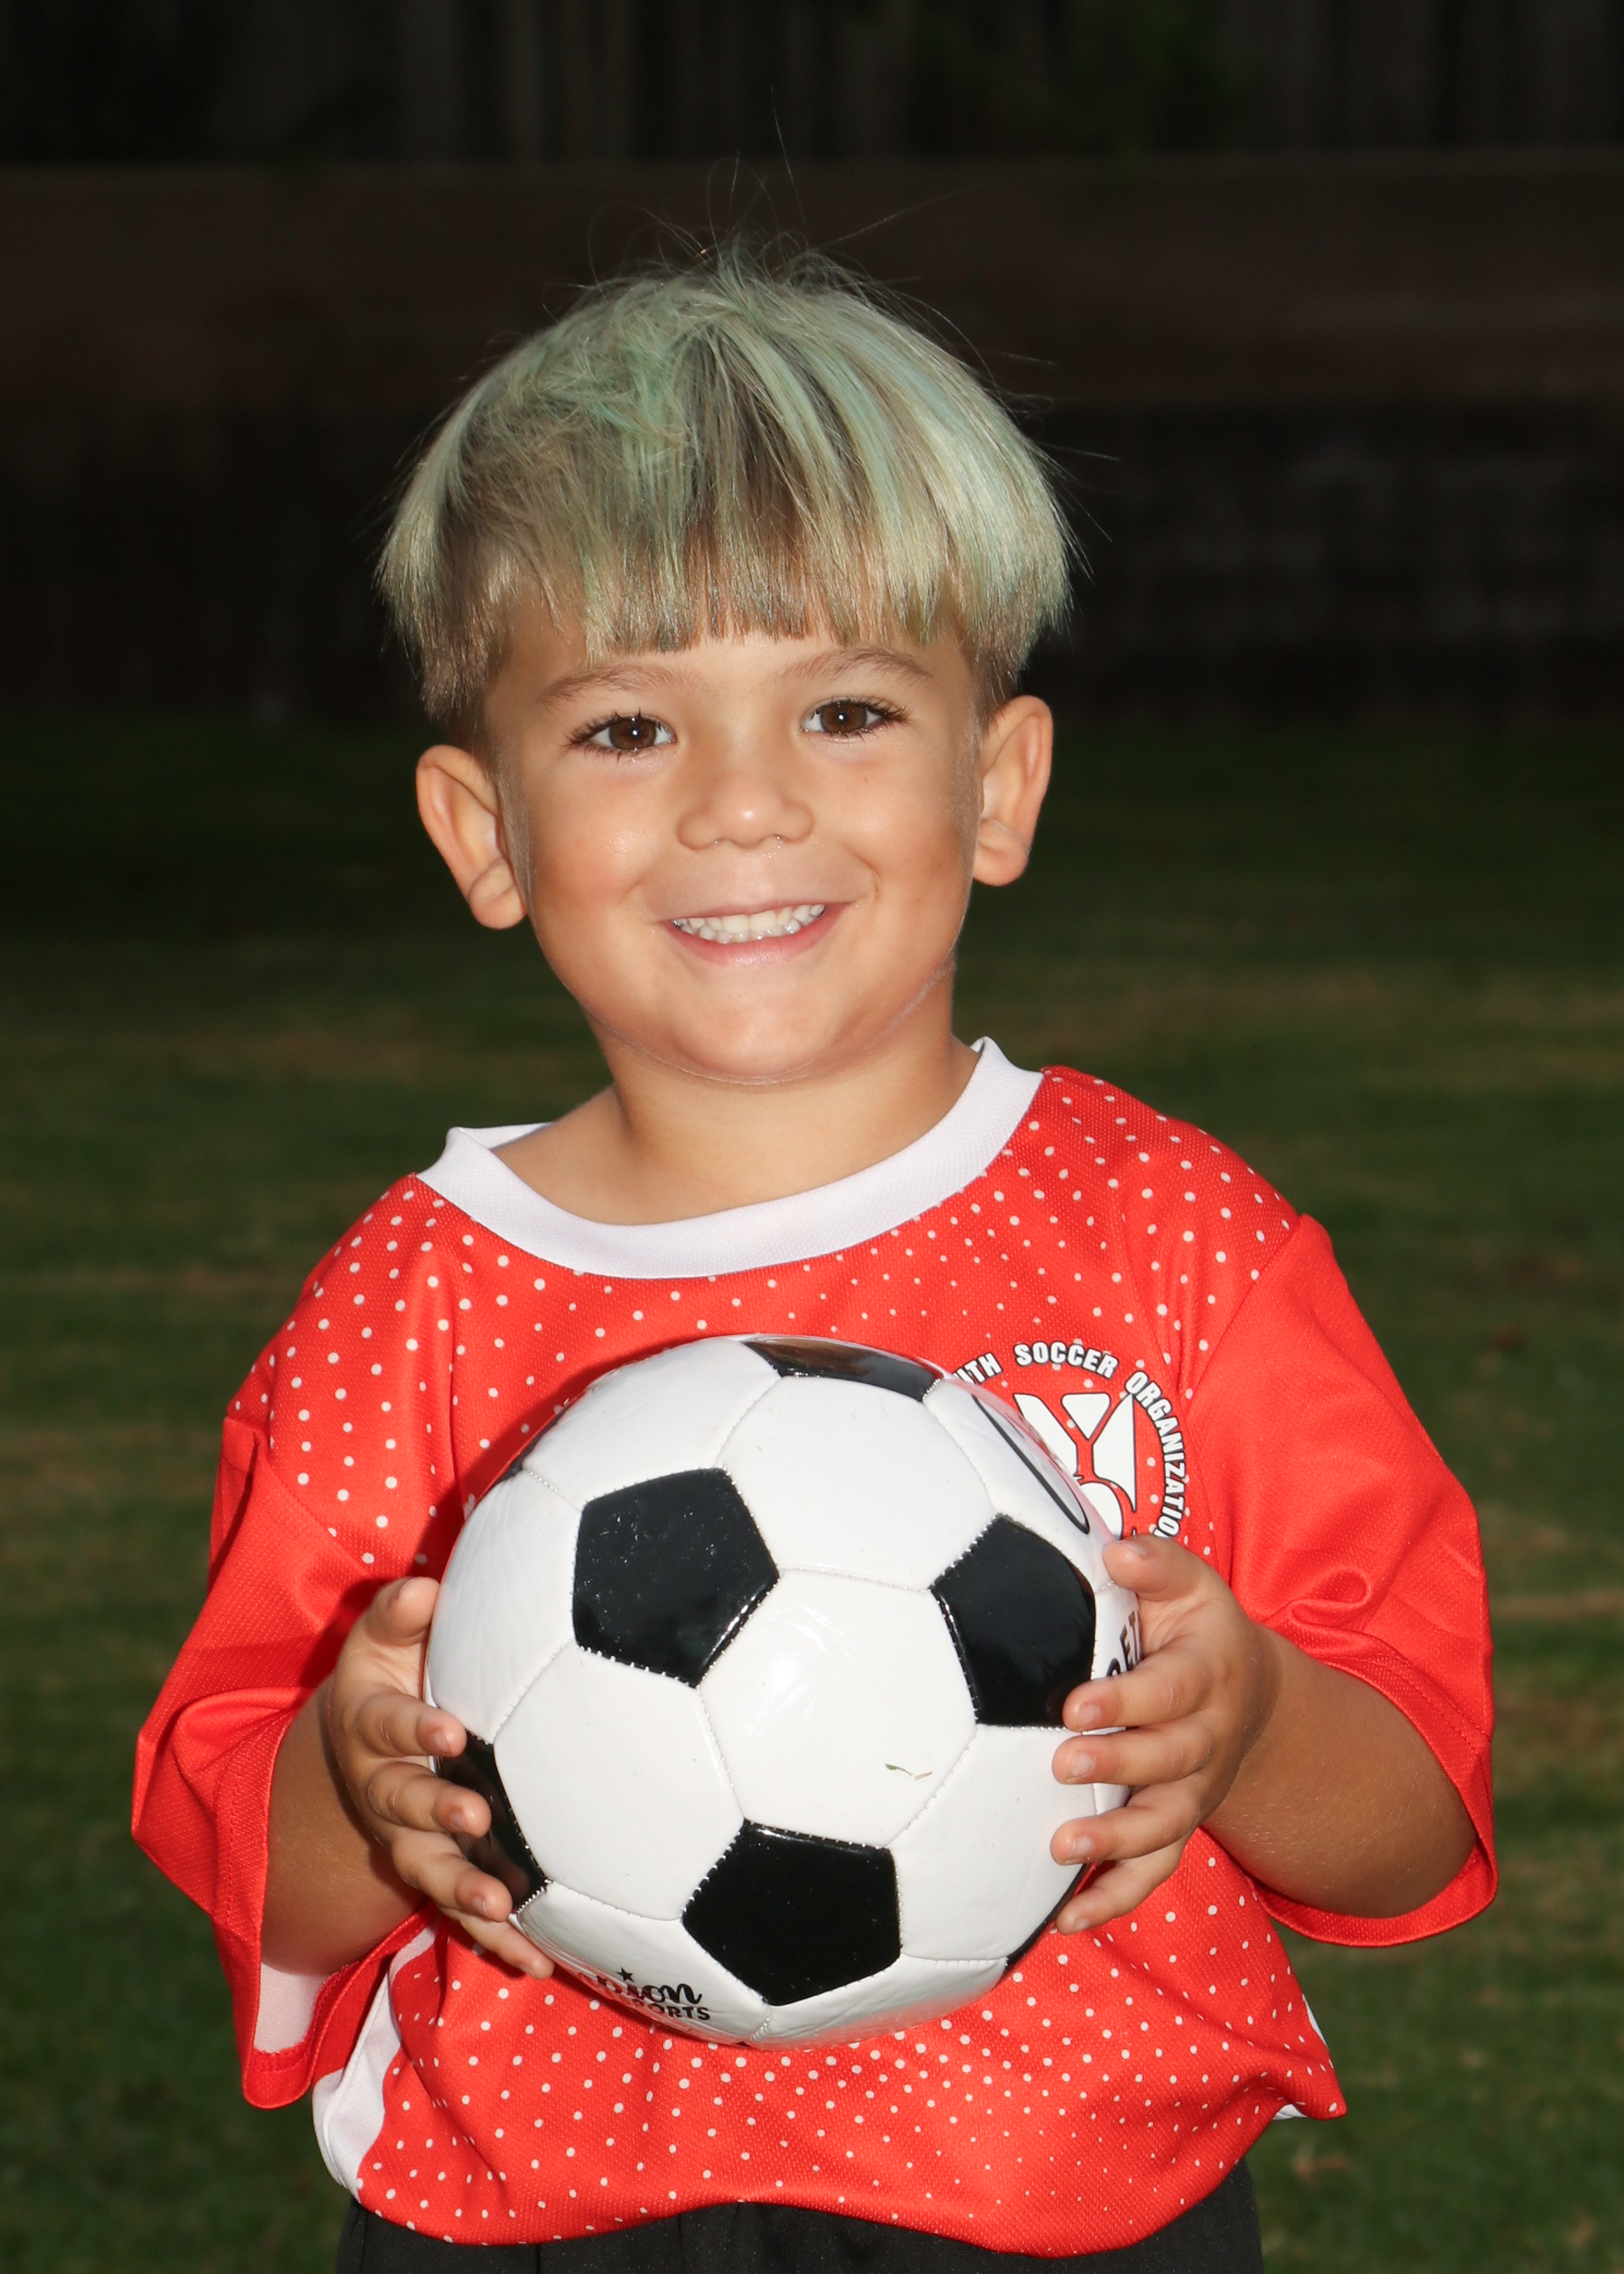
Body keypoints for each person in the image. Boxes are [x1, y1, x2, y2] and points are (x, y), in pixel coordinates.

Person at [134, 246, 1493, 2273]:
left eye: (845, 708)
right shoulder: (415, 1299)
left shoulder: (1174, 1236)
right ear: (484, 831)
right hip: (535, 2220)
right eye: (625, 728)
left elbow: (1414, 1819)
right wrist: (364, 1790)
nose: (744, 803)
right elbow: (257, 1859)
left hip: (1069, 2219)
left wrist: (1253, 1723)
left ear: (997, 784)